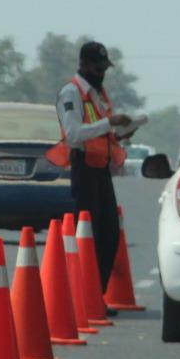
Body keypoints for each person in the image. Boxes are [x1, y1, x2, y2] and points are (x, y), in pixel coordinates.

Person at [46, 41, 132, 298]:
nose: (101, 71)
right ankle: (86, 297)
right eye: (97, 66)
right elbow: (73, 135)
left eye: (104, 67)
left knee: (110, 236)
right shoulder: (71, 93)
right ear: (83, 64)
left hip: (102, 170)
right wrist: (108, 123)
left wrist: (122, 130)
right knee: (89, 237)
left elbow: (102, 132)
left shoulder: (97, 94)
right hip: (84, 170)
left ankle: (97, 296)